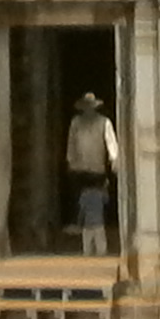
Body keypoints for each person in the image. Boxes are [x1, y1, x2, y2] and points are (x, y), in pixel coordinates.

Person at [63, 93, 119, 256]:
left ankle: (99, 239)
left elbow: (110, 141)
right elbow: (71, 142)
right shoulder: (76, 123)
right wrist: (70, 160)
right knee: (83, 203)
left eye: (91, 106)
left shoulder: (103, 122)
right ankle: (86, 240)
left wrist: (114, 158)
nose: (88, 109)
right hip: (80, 168)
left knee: (97, 202)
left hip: (97, 168)